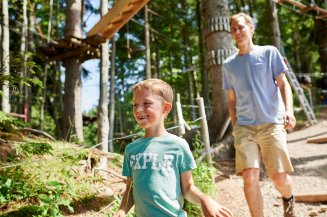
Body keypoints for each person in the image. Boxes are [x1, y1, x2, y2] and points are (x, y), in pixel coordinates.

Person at [113, 79, 232, 217]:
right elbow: (130, 190)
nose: (138, 109)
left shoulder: (178, 146)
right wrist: (121, 211)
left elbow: (187, 189)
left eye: (146, 103)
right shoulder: (131, 149)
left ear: (166, 108)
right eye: (135, 105)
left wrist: (205, 199)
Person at [222, 13, 296, 217]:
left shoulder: (269, 53)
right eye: (233, 29)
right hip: (245, 128)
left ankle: (288, 199)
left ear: (251, 28)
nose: (237, 32)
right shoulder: (228, 64)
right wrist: (236, 125)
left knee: (279, 178)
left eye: (240, 27)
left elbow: (283, 85)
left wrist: (289, 111)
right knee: (249, 177)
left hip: (271, 124)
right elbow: (231, 100)